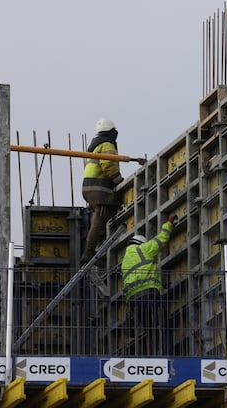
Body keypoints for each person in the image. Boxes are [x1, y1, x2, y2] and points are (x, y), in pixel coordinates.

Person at [121, 215, 175, 356]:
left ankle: (151, 354)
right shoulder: (142, 249)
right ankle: (167, 354)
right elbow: (161, 240)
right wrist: (168, 223)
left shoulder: (125, 261)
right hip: (149, 295)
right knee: (164, 324)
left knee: (149, 329)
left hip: (133, 300)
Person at [82, 117, 125, 257]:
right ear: (110, 131)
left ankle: (101, 252)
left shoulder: (95, 145)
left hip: (89, 188)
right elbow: (108, 165)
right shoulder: (107, 145)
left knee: (105, 218)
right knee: (99, 221)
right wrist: (120, 182)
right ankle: (88, 253)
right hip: (100, 190)